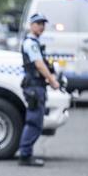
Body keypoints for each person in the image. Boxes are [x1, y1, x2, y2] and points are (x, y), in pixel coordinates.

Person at [17, 13, 60, 167]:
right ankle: (25, 155)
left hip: (36, 86)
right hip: (34, 86)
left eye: (43, 23)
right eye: (38, 23)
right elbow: (39, 65)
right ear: (31, 25)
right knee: (34, 121)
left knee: (35, 120)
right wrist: (52, 80)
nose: (41, 26)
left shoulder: (35, 42)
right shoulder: (31, 43)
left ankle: (26, 153)